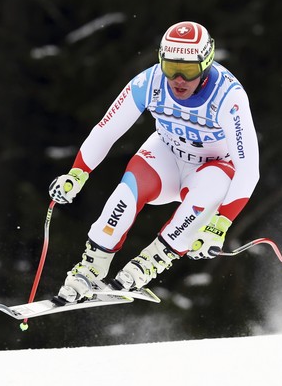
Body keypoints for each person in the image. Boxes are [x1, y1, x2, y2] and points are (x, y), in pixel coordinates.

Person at [48, 21, 260, 303]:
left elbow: (249, 169)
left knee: (210, 189)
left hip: (211, 166)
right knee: (127, 191)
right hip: (167, 156)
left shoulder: (228, 97)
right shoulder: (148, 82)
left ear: (206, 65)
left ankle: (149, 262)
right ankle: (90, 268)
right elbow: (106, 129)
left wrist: (219, 226)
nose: (178, 80)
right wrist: (77, 174)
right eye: (171, 68)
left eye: (188, 70)